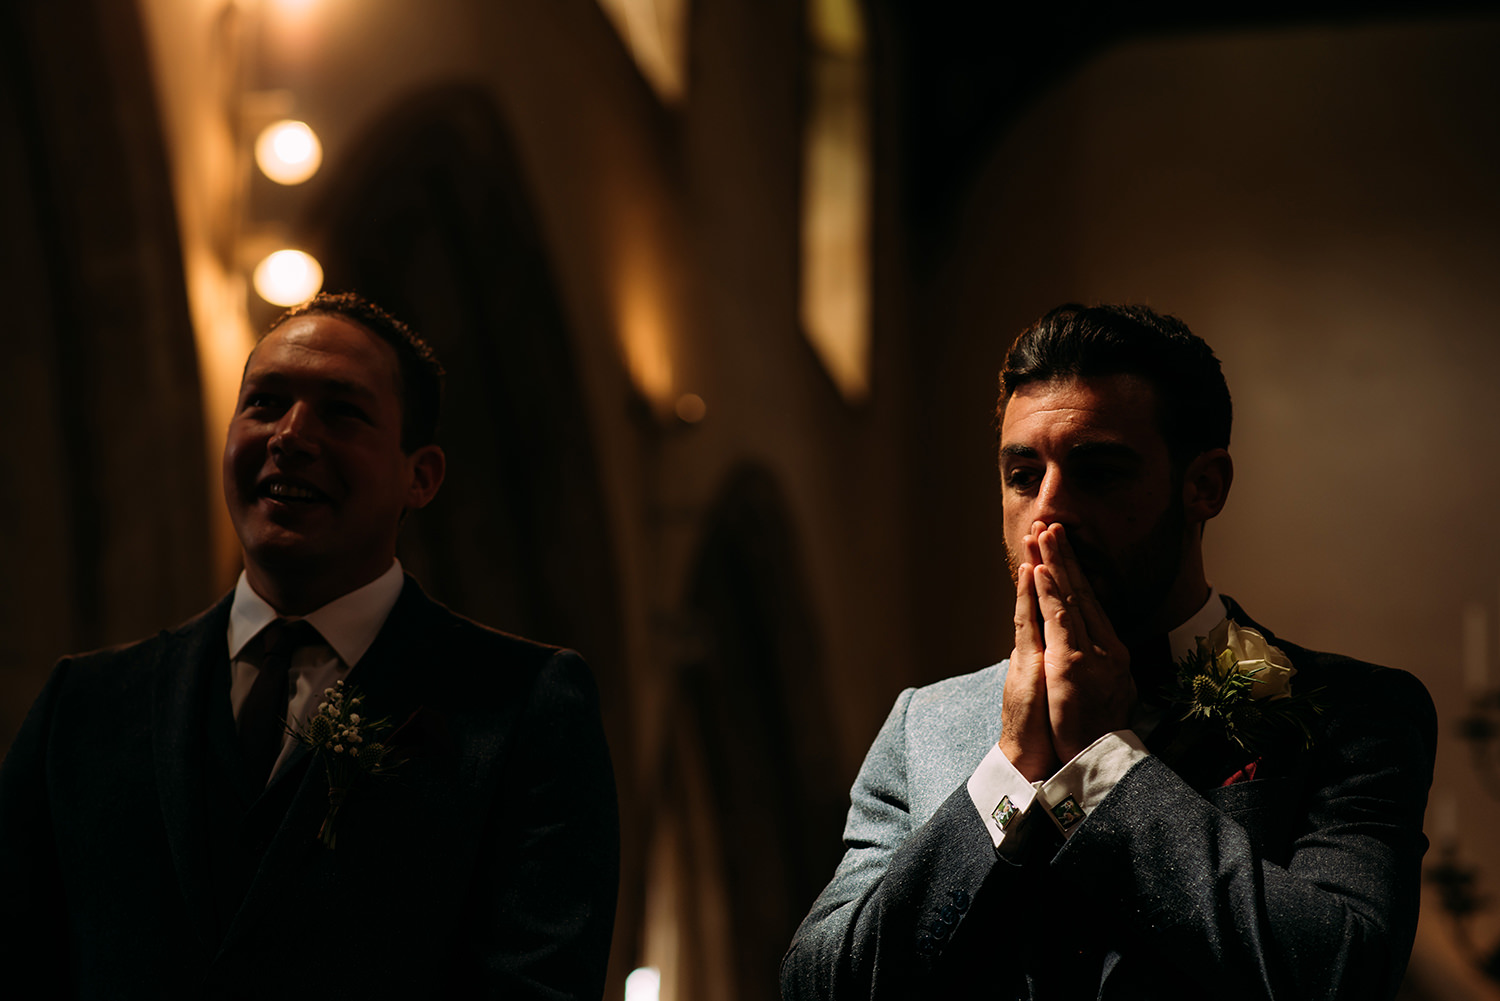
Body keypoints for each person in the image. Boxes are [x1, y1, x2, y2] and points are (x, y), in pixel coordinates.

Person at [781, 304, 1436, 1000]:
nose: (1048, 510)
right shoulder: (925, 724)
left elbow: (1342, 974)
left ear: (1204, 486)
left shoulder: (1358, 713)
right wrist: (1010, 770)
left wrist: (1102, 763)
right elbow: (822, 984)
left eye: (1098, 471)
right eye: (1023, 474)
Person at [0, 293, 619, 998]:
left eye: (342, 412)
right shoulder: (82, 707)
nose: (291, 435)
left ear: (421, 475)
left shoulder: (522, 706)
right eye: (264, 403)